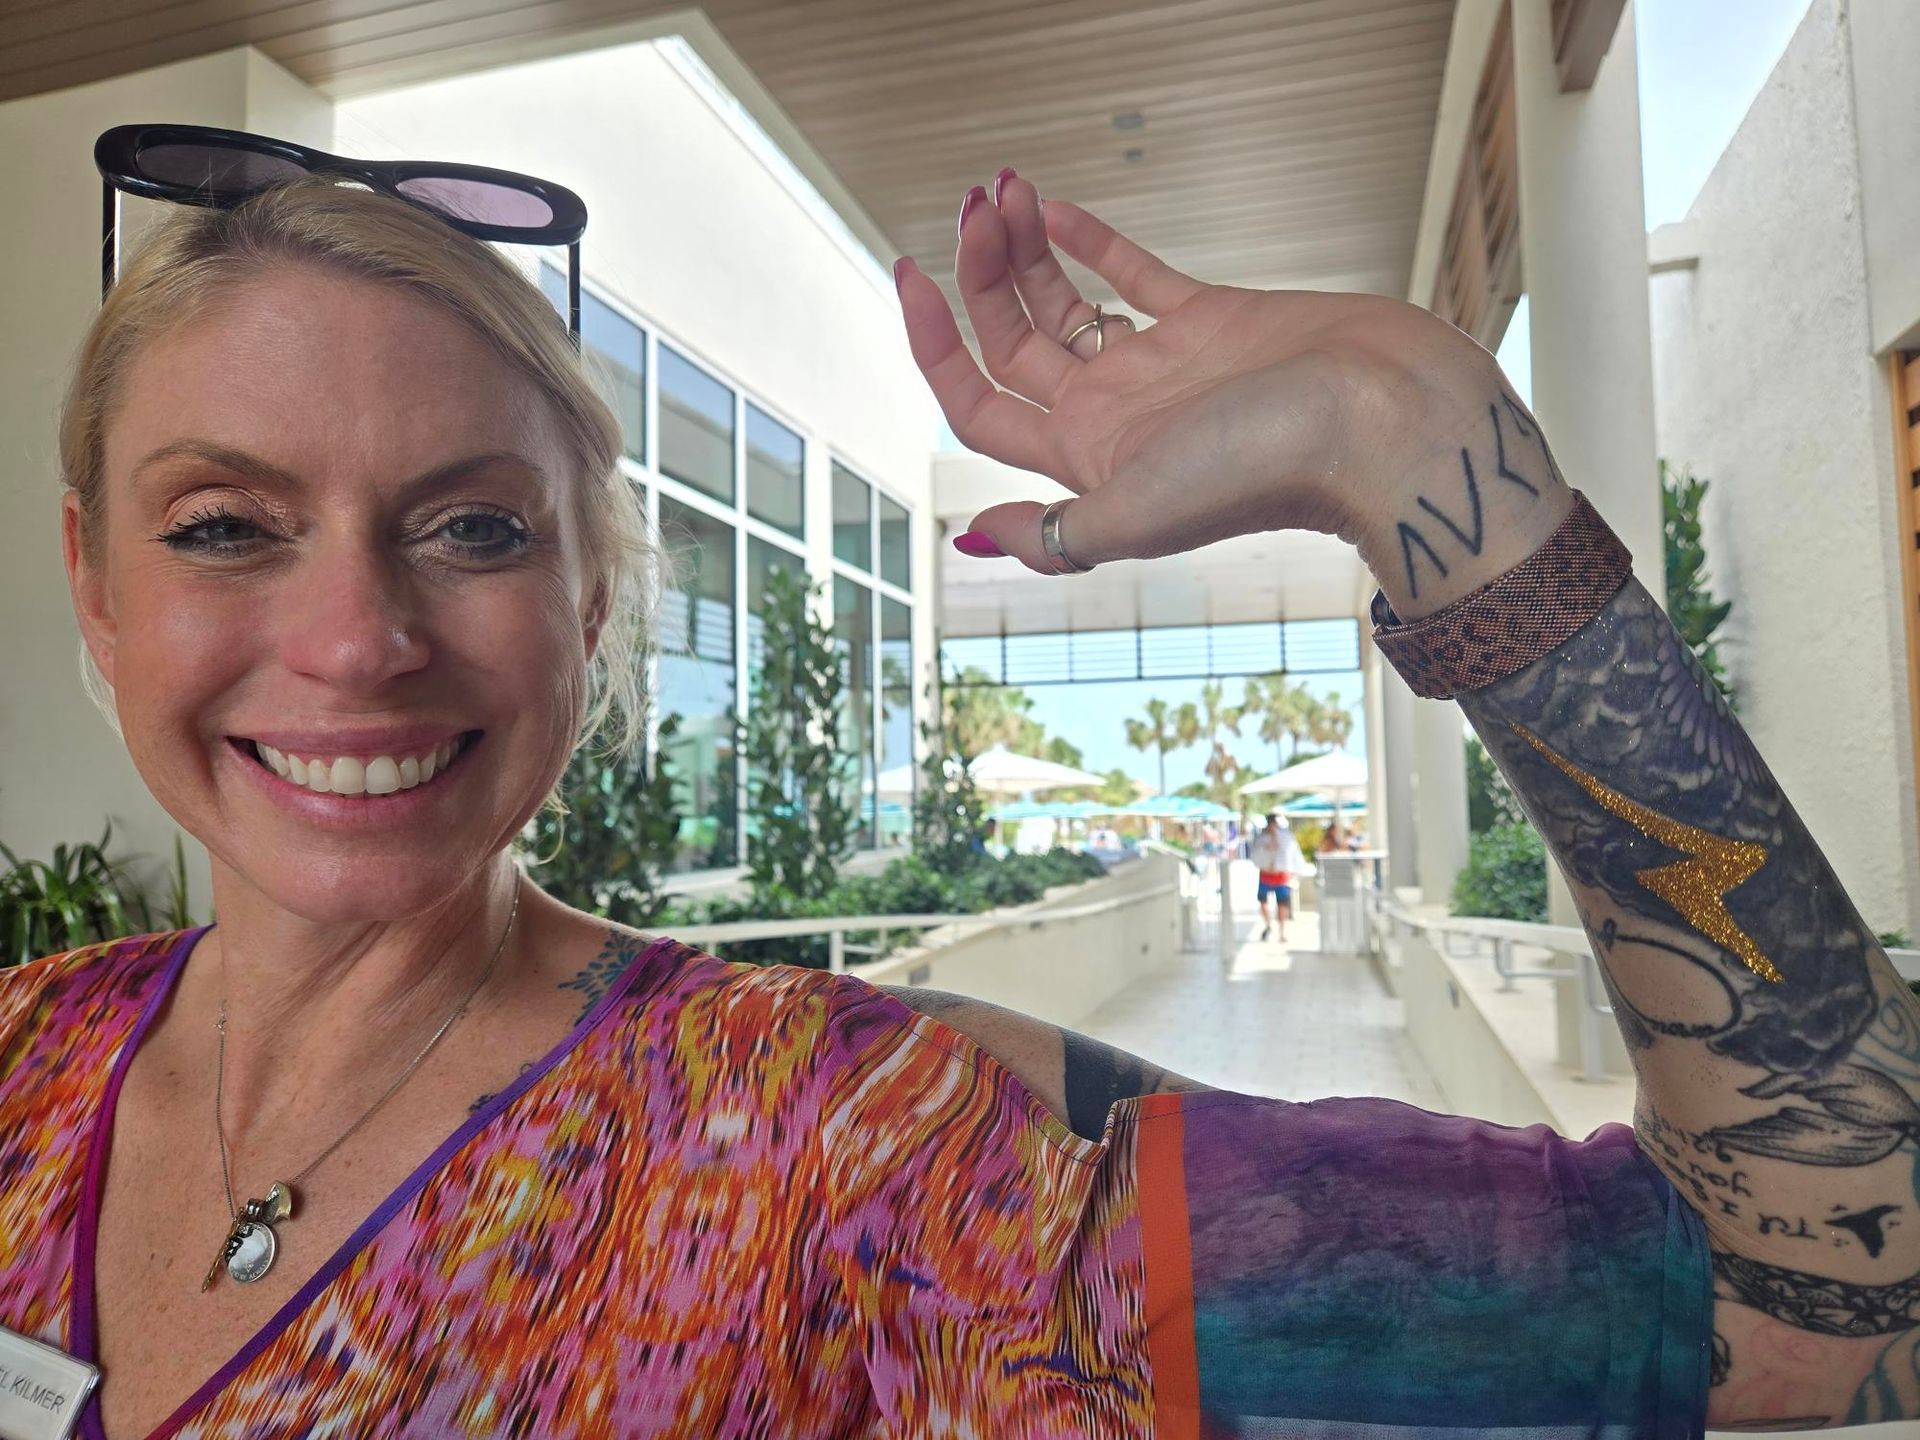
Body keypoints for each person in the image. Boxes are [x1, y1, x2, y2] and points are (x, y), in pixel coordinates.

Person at [2, 133, 1911, 1438]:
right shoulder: (24, 1070)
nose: (353, 638)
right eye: (228, 525)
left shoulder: (839, 1140)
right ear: (97, 582)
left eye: (474, 527)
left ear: (594, 611)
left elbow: (1831, 1287)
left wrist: (1409, 442)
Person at [1247, 812, 1310, 942]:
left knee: (1282, 905)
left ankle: (1282, 932)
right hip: (1266, 875)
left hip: (1280, 876)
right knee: (1263, 902)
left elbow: (1292, 856)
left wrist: (1295, 871)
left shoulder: (1286, 838)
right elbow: (1256, 856)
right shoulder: (1261, 839)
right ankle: (1269, 925)